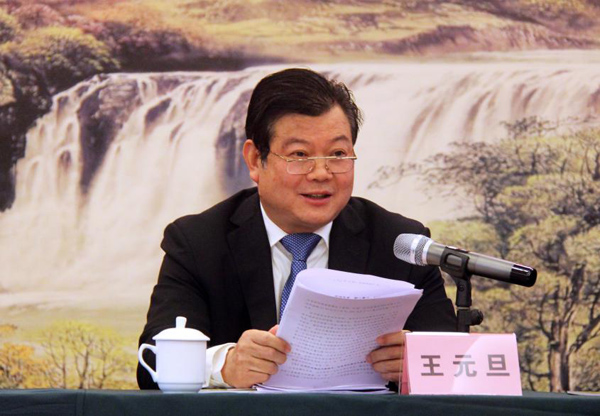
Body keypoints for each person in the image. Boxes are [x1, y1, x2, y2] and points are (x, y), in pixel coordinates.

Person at [137, 68, 456, 389]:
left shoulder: (398, 244)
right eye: (300, 155)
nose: (321, 173)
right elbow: (152, 365)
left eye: (338, 154)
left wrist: (415, 361)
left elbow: (455, 367)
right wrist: (224, 365)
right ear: (255, 160)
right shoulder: (198, 242)